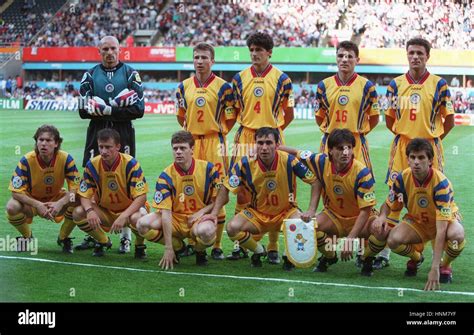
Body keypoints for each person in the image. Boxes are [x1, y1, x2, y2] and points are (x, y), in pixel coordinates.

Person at [379, 37, 455, 269]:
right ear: (407, 54)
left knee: (434, 199)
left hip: (429, 148)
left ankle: (441, 262)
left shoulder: (439, 84)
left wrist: (429, 144)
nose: (415, 56)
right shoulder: (395, 84)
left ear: (427, 56)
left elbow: (449, 120)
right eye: (411, 52)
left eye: (420, 53)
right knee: (396, 196)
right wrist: (409, 141)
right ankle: (391, 252)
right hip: (402, 147)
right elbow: (389, 119)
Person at [203, 127, 320, 270]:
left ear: (277, 145)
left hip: (286, 212)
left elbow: (315, 181)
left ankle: (287, 255)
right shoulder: (245, 163)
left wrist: (312, 209)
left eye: (269, 143)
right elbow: (226, 187)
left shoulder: (289, 160)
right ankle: (259, 251)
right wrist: (214, 214)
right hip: (257, 214)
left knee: (304, 224)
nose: (264, 147)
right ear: (255, 144)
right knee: (232, 227)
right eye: (260, 143)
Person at [360, 139, 464, 289]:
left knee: (457, 235)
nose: (416, 162)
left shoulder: (441, 184)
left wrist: (434, 268)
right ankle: (416, 258)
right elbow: (388, 204)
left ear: (430, 161)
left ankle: (445, 265)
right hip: (418, 222)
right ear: (407, 159)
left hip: (444, 223)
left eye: (421, 157)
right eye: (412, 157)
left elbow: (441, 230)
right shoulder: (402, 178)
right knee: (393, 239)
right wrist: (382, 216)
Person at [230, 32, 295, 264]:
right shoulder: (238, 79)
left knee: (275, 191)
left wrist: (272, 136)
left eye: (259, 50)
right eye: (252, 50)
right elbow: (235, 111)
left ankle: (274, 246)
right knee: (241, 191)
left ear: (269, 52)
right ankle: (241, 245)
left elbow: (289, 113)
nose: (255, 54)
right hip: (246, 136)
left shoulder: (283, 80)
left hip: (273, 137)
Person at [77, 35, 145, 253]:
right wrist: (108, 108)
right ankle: (95, 233)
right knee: (93, 179)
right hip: (96, 133)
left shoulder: (131, 74)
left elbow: (139, 109)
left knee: (124, 180)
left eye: (113, 48)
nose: (109, 52)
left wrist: (109, 109)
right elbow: (81, 109)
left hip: (122, 133)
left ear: (119, 50)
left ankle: (126, 234)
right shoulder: (89, 75)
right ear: (99, 50)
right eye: (105, 49)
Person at [280, 128, 377, 272]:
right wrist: (271, 148)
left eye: (349, 148)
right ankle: (330, 256)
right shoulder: (320, 161)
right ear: (330, 150)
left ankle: (366, 258)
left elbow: (365, 210)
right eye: (340, 148)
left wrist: (350, 239)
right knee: (308, 227)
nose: (345, 153)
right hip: (334, 217)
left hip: (359, 219)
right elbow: (295, 152)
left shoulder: (362, 173)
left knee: (381, 230)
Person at [175, 42, 236, 260]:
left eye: (204, 58)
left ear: (212, 61)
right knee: (193, 188)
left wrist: (216, 133)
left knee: (219, 189)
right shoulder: (183, 86)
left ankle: (217, 244)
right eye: (196, 57)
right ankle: (194, 241)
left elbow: (230, 117)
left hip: (214, 143)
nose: (199, 61)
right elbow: (181, 115)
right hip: (192, 143)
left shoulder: (224, 87)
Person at [132, 131, 221, 269]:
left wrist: (201, 212)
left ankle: (199, 250)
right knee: (142, 225)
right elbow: (166, 213)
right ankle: (178, 246)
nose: (178, 152)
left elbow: (220, 199)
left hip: (197, 219)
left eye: (183, 148)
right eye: (175, 148)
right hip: (175, 218)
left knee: (207, 232)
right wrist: (169, 248)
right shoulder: (165, 176)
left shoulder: (209, 169)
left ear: (192, 149)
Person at [72, 129, 148, 257]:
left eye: (108, 147)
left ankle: (140, 245)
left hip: (129, 211)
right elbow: (84, 194)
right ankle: (103, 241)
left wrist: (124, 215)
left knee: (139, 217)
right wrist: (90, 211)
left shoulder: (131, 164)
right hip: (105, 211)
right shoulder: (92, 165)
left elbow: (141, 197)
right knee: (78, 212)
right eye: (101, 147)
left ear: (118, 147)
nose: (103, 151)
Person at [6, 125, 80, 253]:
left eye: (48, 140)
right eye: (40, 140)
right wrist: (38, 204)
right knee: (11, 206)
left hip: (56, 200)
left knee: (79, 200)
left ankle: (63, 238)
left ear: (56, 143)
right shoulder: (26, 160)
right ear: (36, 142)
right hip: (32, 201)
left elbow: (75, 189)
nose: (43, 144)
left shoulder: (66, 158)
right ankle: (27, 238)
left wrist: (60, 203)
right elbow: (16, 192)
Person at [315, 40, 379, 175]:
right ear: (336, 58)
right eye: (341, 56)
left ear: (357, 60)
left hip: (356, 143)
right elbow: (319, 117)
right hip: (330, 143)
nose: (345, 60)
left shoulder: (367, 86)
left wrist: (358, 133)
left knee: (362, 184)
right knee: (327, 185)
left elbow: (374, 117)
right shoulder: (323, 86)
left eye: (349, 56)